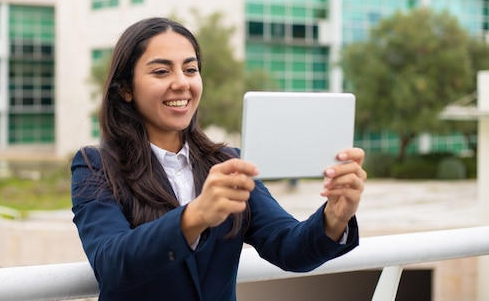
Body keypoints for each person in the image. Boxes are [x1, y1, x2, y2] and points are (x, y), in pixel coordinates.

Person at [71, 17, 367, 301]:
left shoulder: (227, 163)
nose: (181, 83)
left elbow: (287, 248)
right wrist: (195, 216)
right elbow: (111, 262)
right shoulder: (96, 166)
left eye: (190, 69)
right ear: (125, 89)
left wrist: (334, 217)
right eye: (161, 72)